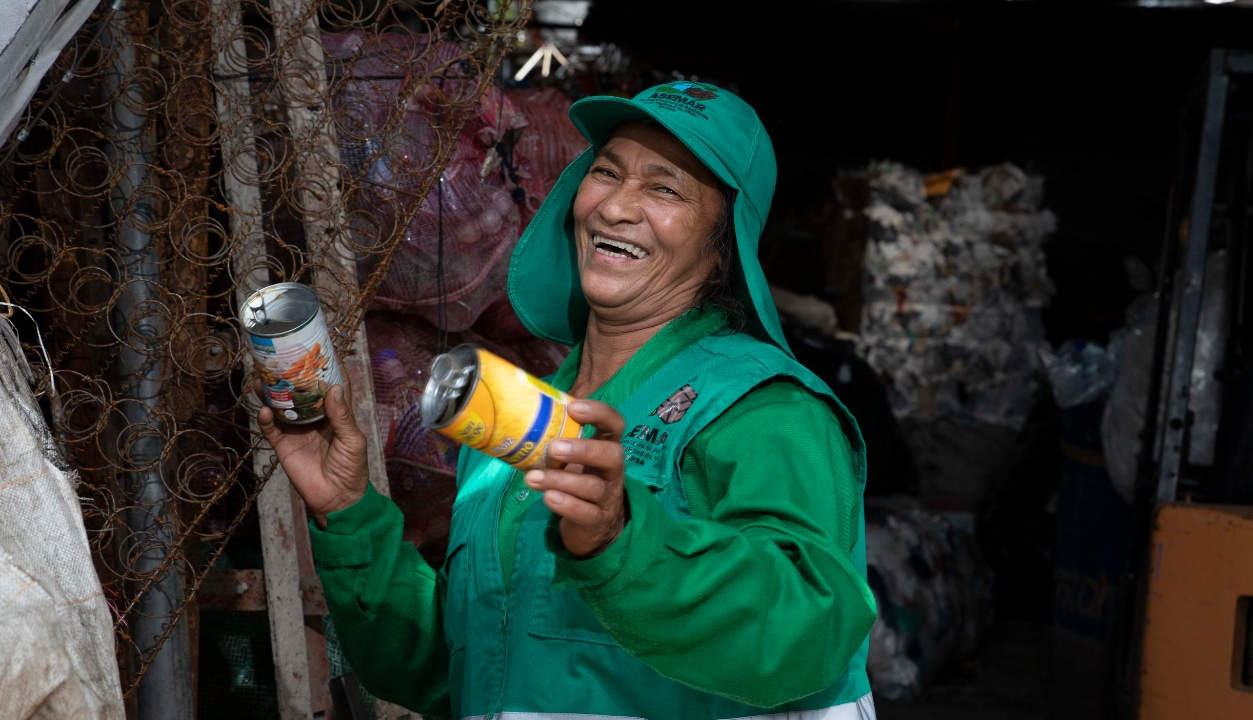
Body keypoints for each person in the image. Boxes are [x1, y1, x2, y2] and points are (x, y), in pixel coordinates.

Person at [260, 80, 878, 719]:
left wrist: (622, 540)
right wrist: (349, 511)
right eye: (606, 172)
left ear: (722, 252)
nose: (616, 207)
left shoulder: (765, 411)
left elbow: (810, 632)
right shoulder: (513, 424)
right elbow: (467, 667)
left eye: (665, 189)